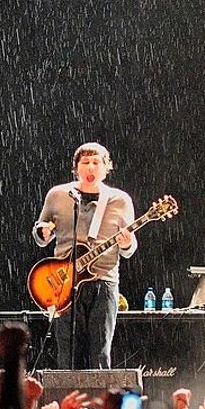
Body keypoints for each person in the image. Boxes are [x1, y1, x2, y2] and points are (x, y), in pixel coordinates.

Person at [32, 142, 137, 369]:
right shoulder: (58, 195)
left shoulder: (120, 200)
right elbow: (41, 234)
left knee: (100, 352)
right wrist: (43, 231)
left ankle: (99, 403)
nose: (90, 168)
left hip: (105, 281)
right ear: (76, 167)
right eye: (85, 162)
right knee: (67, 352)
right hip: (64, 281)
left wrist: (128, 243)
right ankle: (68, 401)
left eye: (96, 163)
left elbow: (129, 250)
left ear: (106, 167)